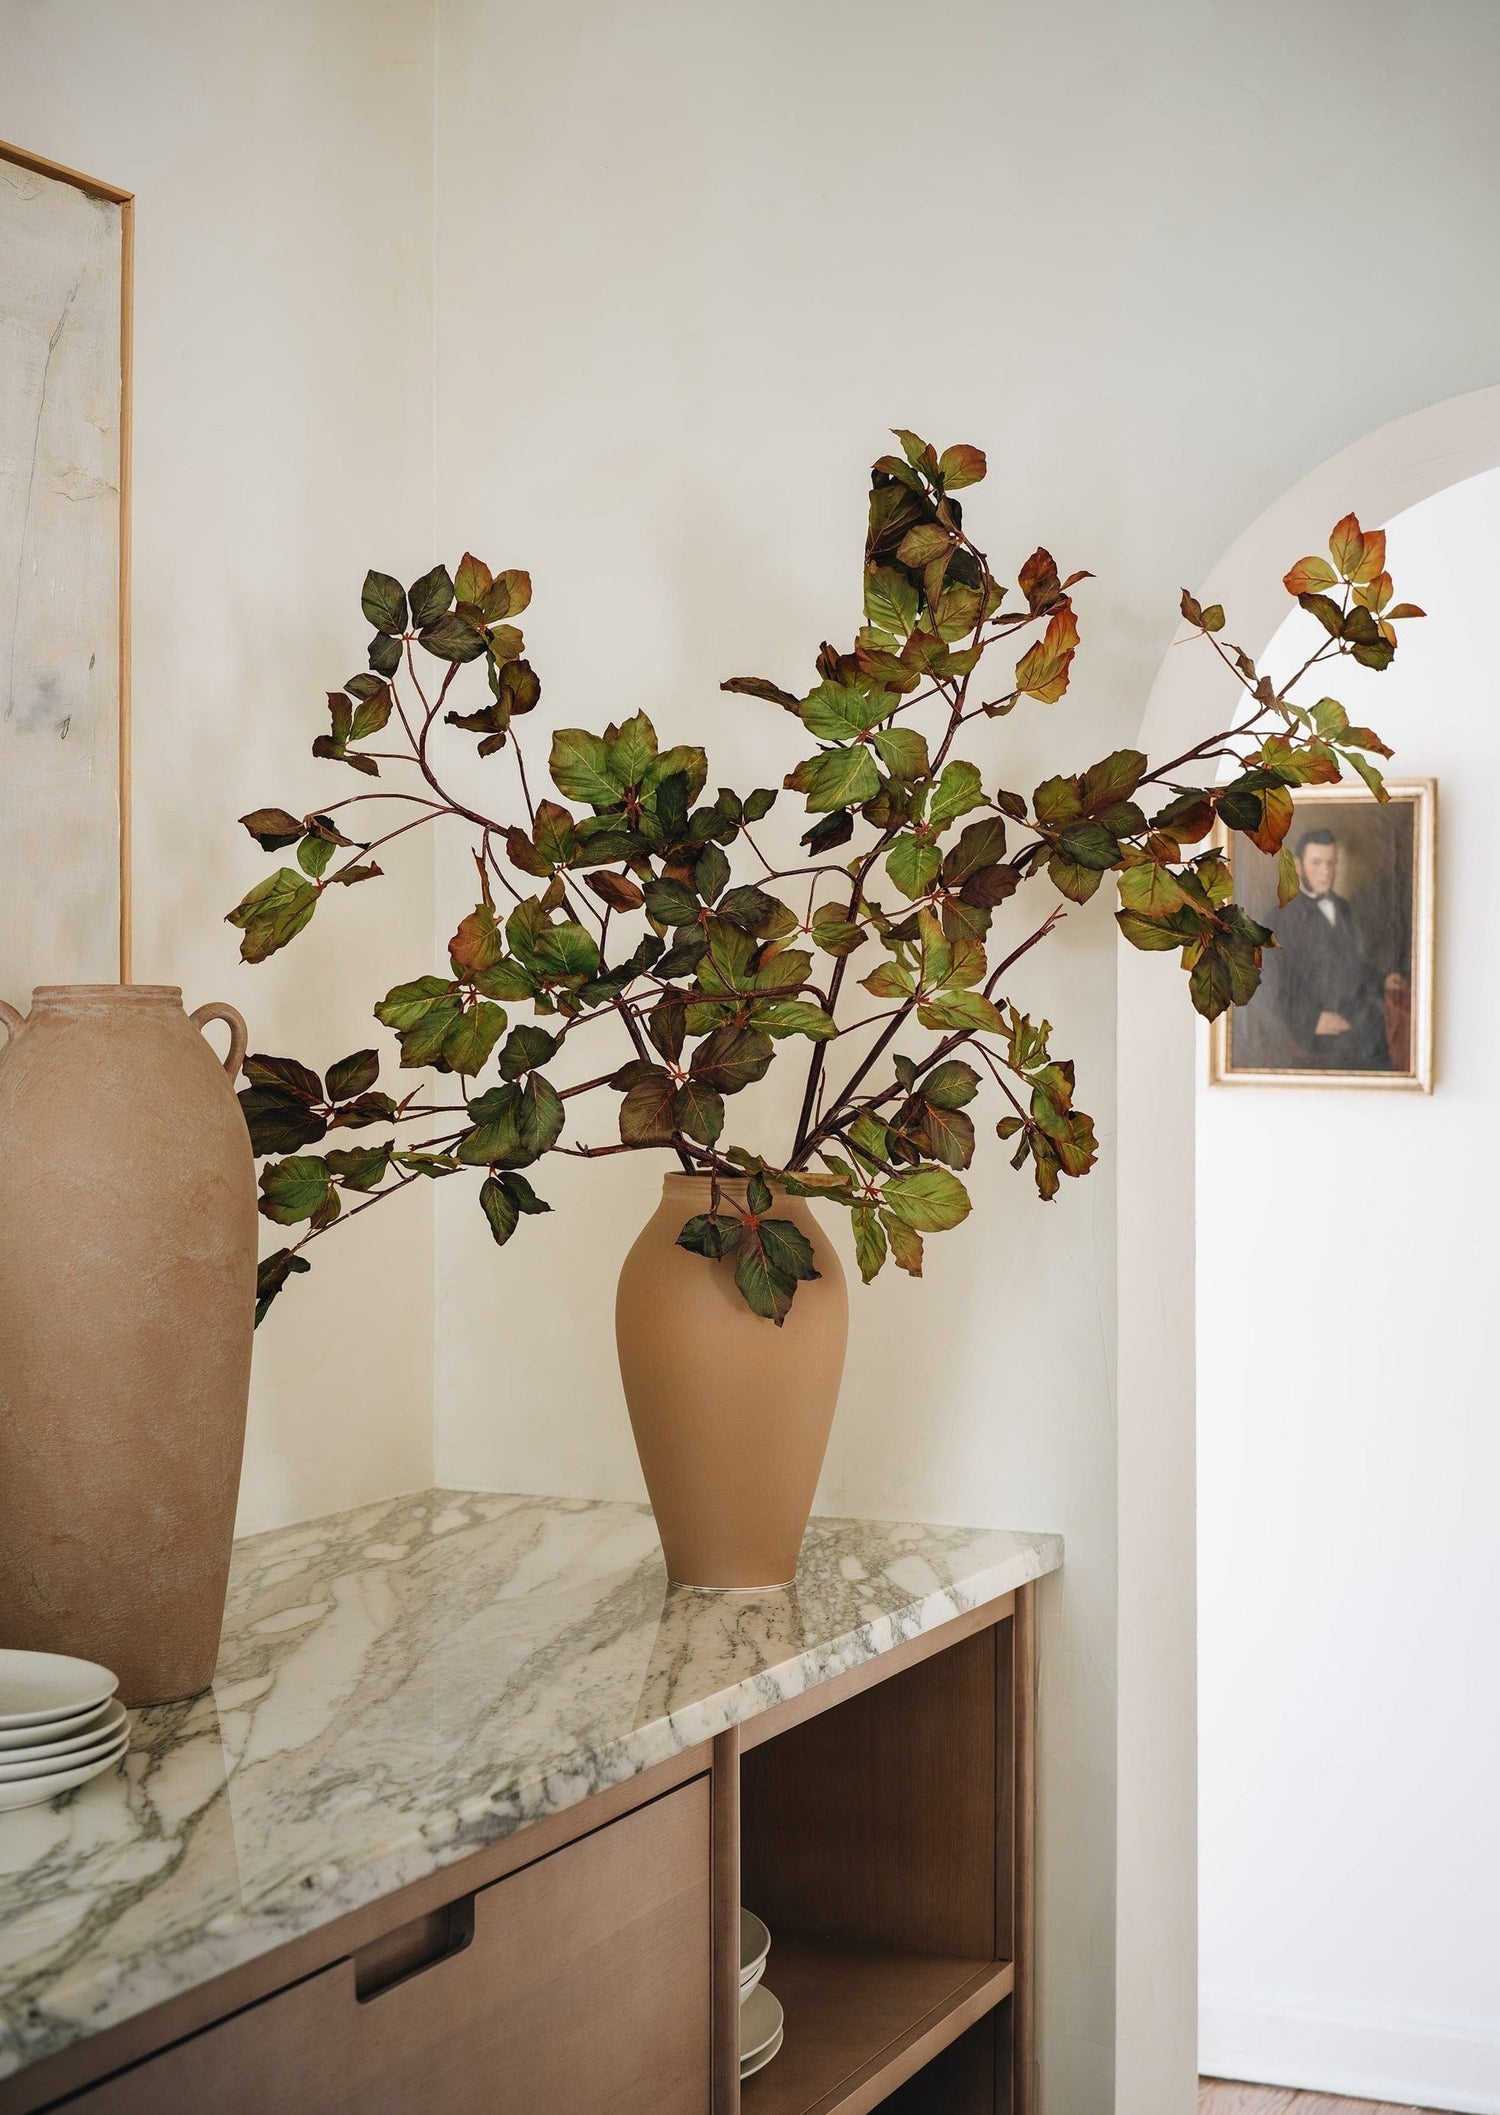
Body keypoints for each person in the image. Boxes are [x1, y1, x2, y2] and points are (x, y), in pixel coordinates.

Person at [1257, 827, 1406, 1070]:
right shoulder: (1279, 920)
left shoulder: (1341, 907)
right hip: (1313, 1029)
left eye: (1331, 863)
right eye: (1316, 863)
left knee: (1398, 1034)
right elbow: (1269, 986)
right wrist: (1312, 1020)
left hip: (1354, 1014)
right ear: (1297, 865)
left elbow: (1351, 963)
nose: (1326, 872)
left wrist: (1382, 980)